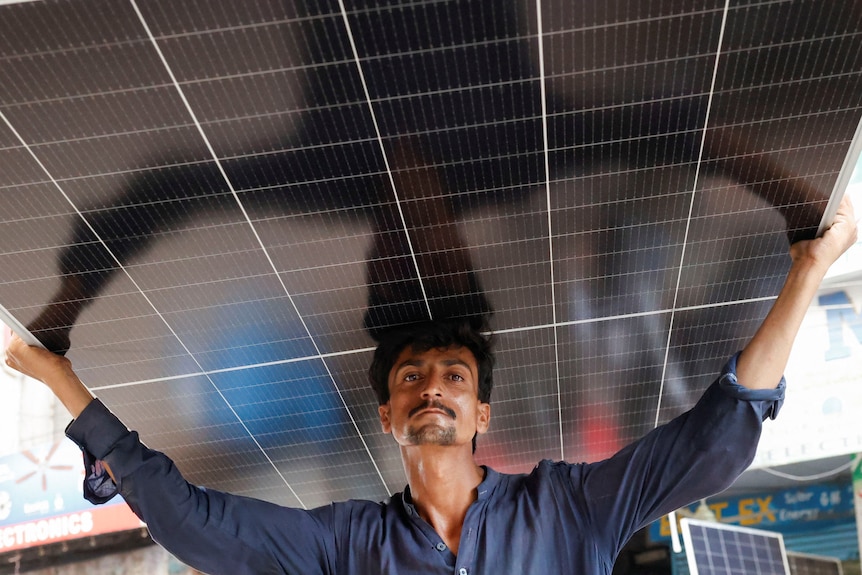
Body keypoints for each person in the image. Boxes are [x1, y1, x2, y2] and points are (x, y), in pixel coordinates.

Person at [4, 198, 857, 574]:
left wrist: (809, 272)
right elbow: (198, 525)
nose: (432, 386)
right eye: (412, 378)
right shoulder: (345, 546)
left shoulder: (570, 508)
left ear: (482, 410)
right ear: (389, 414)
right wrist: (63, 383)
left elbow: (714, 438)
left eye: (454, 375)